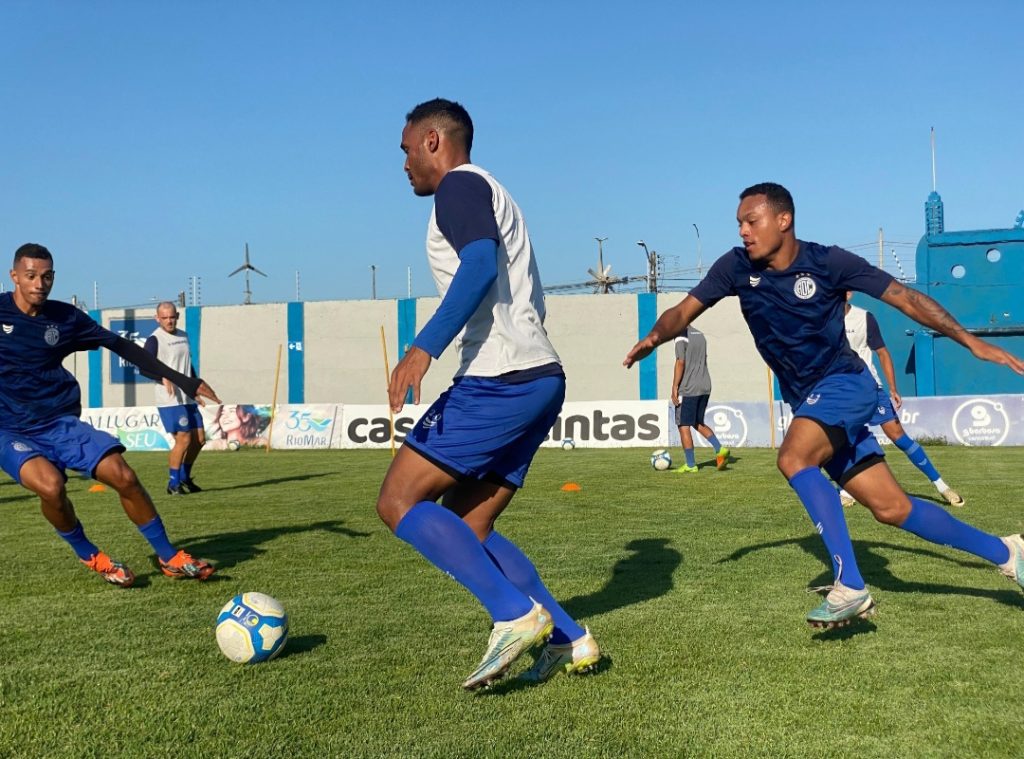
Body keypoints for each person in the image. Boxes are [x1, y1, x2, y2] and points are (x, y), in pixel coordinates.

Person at [624, 183, 1024, 628]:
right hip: (812, 400)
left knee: (794, 458)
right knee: (891, 508)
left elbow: (906, 299)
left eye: (750, 221)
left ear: (783, 220)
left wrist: (970, 341)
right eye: (738, 223)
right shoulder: (734, 268)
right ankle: (1009, 553)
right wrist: (657, 336)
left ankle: (850, 585)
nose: (743, 231)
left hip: (845, 385)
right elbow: (683, 311)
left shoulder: (830, 262)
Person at [377, 98, 600, 689]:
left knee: (397, 502)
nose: (402, 164)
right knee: (470, 525)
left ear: (432, 141)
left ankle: (512, 614)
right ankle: (567, 637)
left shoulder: (459, 188)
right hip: (539, 376)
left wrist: (423, 346)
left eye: (404, 150)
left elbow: (478, 265)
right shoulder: (497, 193)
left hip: (498, 379)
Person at [0, 244, 219, 587]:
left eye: (47, 276)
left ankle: (170, 557)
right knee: (52, 488)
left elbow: (121, 346)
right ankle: (91, 555)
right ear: (14, 277)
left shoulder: (65, 318)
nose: (39, 283)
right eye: (30, 276)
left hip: (60, 422)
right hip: (10, 429)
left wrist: (184, 380)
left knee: (124, 476)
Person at [839, 292, 963, 507]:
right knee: (847, 439)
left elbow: (883, 353)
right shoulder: (821, 319)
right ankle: (847, 490)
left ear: (848, 293)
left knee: (899, 437)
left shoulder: (864, 318)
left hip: (870, 387)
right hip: (842, 391)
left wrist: (893, 388)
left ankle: (941, 485)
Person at [142, 301, 205, 495]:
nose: (169, 321)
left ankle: (185, 478)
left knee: (199, 440)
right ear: (157, 318)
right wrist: (161, 377)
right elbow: (143, 368)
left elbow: (188, 366)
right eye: (165, 318)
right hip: (170, 399)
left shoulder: (184, 336)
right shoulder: (154, 339)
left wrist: (195, 388)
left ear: (177, 316)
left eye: (172, 317)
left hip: (187, 398)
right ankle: (173, 483)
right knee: (184, 439)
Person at [670, 326, 729, 472]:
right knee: (697, 422)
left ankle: (690, 465)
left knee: (683, 425)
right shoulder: (700, 334)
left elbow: (680, 362)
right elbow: (704, 358)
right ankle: (720, 449)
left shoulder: (680, 335)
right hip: (705, 385)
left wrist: (675, 387)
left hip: (689, 388)